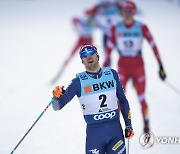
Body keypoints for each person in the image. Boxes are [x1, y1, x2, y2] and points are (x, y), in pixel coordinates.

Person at [52, 44, 134, 154]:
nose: (89, 57)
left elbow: (123, 100)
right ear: (82, 61)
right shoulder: (77, 82)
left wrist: (128, 125)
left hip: (115, 132)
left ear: (97, 55)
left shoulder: (112, 74)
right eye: (84, 55)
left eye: (91, 53)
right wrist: (56, 97)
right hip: (95, 135)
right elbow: (57, 106)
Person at [103, 0, 167, 133]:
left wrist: (160, 65)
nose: (127, 14)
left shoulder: (141, 27)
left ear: (134, 12)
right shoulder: (116, 27)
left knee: (142, 97)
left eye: (130, 11)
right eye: (125, 11)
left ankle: (146, 125)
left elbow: (153, 45)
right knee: (119, 98)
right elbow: (108, 49)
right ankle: (115, 126)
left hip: (138, 66)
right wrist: (103, 68)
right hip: (123, 66)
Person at [51, 15, 94, 84]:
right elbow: (74, 19)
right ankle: (60, 73)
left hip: (89, 40)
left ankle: (93, 74)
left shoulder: (95, 20)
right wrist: (76, 27)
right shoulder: (83, 19)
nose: (90, 21)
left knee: (91, 58)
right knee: (70, 56)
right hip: (81, 39)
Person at [85, 0, 123, 66]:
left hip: (117, 34)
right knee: (107, 54)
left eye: (108, 3)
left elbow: (129, 11)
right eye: (104, 3)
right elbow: (89, 17)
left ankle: (125, 69)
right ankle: (107, 71)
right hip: (106, 34)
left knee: (122, 52)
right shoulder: (98, 8)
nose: (106, 5)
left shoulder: (116, 5)